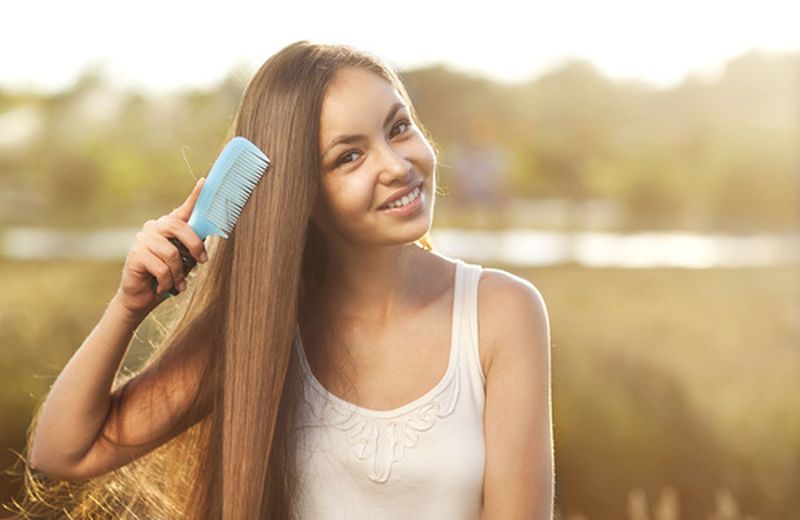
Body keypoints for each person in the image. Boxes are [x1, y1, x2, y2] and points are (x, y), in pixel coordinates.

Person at [20, 41, 553, 519]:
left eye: (398, 127)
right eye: (349, 156)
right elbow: (62, 452)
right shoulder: (260, 331)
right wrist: (128, 308)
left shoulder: (501, 313)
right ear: (301, 193)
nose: (395, 165)